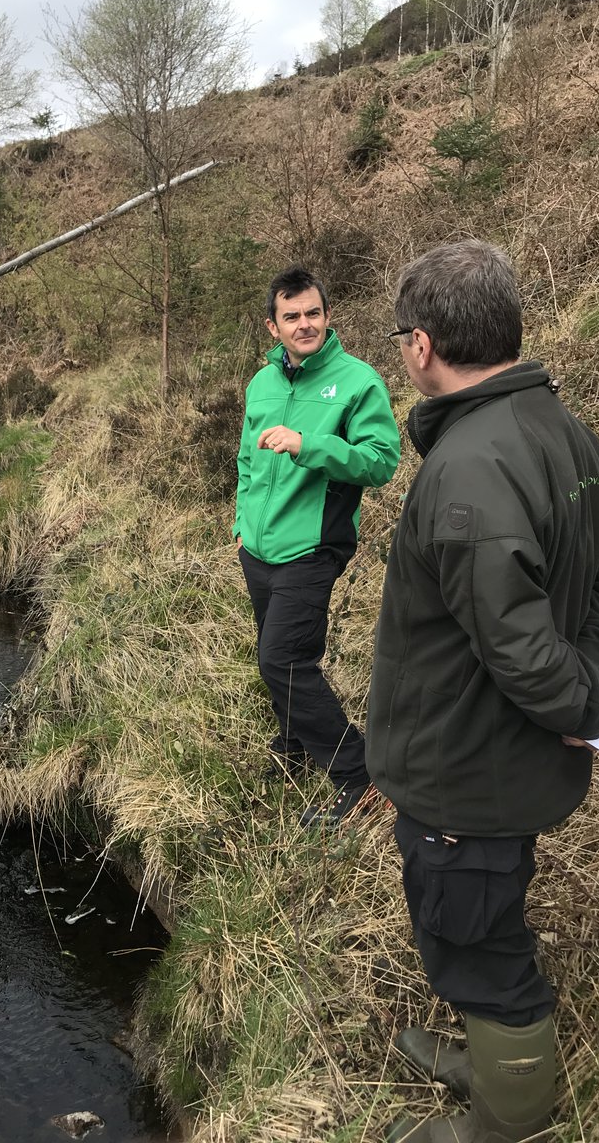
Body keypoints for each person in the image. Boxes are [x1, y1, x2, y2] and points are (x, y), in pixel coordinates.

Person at [365, 239, 599, 1142]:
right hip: (501, 761)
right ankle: (490, 1057)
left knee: (476, 943)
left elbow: (522, 648)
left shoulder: (470, 469)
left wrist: (586, 709)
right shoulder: (563, 429)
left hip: (469, 771)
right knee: (483, 912)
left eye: (400, 338)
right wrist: (592, 691)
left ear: (421, 344)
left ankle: (505, 1121)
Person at [234, 266, 400, 824]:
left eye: (313, 313)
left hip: (312, 549)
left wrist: (309, 445)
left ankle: (357, 775)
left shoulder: (357, 382)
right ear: (273, 326)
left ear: (327, 316)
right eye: (292, 316)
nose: (304, 324)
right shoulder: (262, 383)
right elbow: (246, 460)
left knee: (282, 660)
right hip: (258, 550)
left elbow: (381, 461)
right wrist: (241, 525)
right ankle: (295, 744)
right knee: (278, 653)